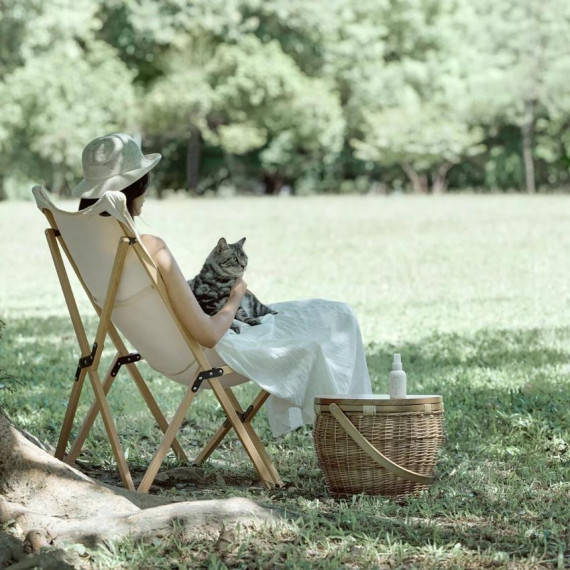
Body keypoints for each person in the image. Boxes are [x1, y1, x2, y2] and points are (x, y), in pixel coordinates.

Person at [74, 133, 371, 436]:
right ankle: (358, 430)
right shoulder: (150, 248)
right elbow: (209, 334)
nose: (147, 192)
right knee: (340, 315)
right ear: (133, 188)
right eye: (144, 182)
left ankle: (350, 429)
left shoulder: (86, 247)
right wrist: (235, 295)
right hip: (208, 354)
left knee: (334, 315)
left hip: (165, 352)